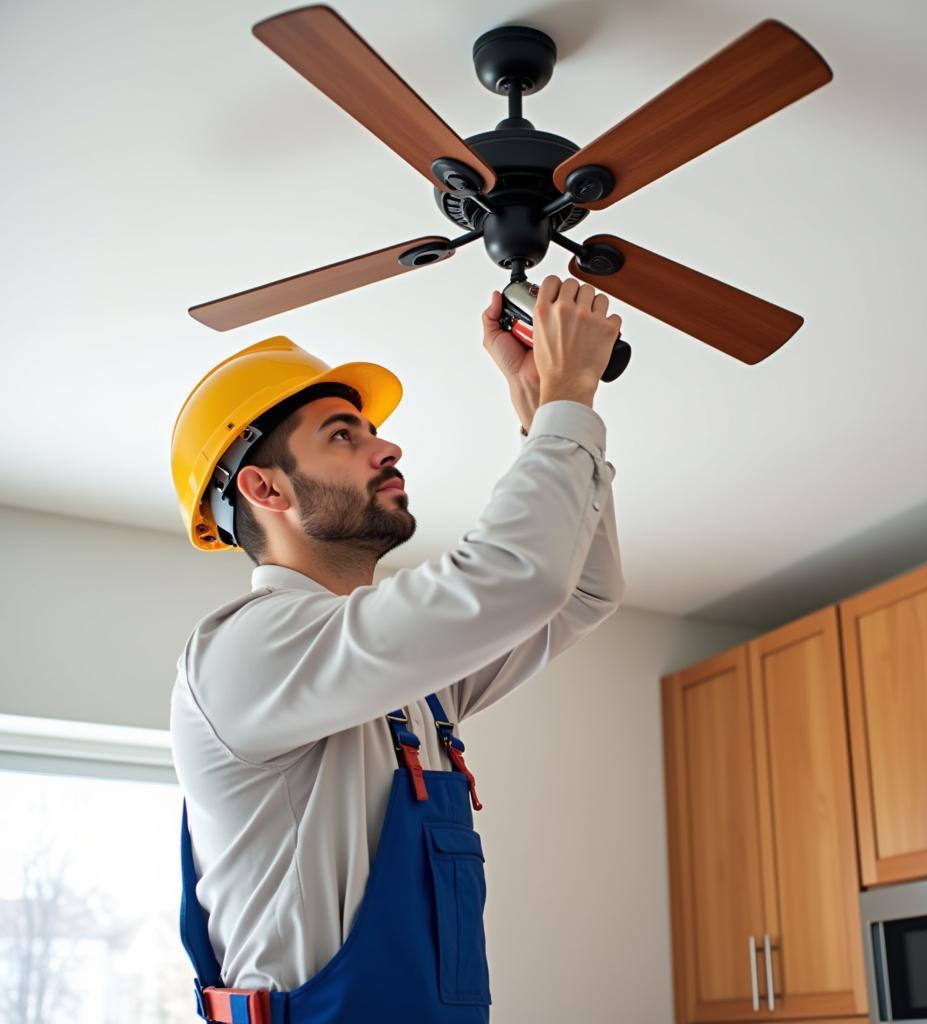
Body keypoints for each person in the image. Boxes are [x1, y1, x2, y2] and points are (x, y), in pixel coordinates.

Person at [169, 275, 626, 1023]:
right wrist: (567, 401)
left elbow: (578, 593)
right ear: (266, 488)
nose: (387, 445)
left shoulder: (404, 686)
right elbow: (521, 576)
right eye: (344, 435)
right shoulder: (248, 651)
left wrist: (546, 412)